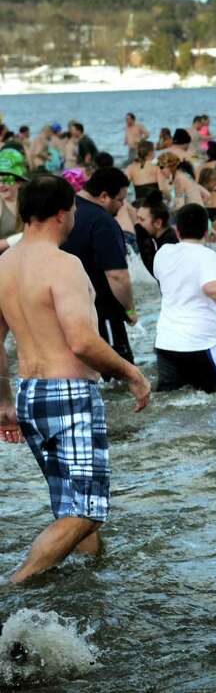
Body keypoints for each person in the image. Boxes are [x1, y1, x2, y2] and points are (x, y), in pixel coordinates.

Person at [0, 174, 150, 583]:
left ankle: (89, 584)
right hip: (70, 395)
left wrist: (5, 403)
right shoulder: (64, 265)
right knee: (87, 510)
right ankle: (14, 587)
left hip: (31, 395)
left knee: (71, 508)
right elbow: (83, 342)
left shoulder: (4, 264)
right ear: (63, 213)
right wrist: (131, 371)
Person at [151, 204, 216, 392]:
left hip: (166, 344)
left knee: (173, 403)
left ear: (177, 231)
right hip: (201, 343)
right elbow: (212, 287)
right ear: (206, 232)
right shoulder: (207, 255)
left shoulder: (162, 253)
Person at [62, 167, 137, 366]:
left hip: (65, 311)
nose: (121, 206)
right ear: (104, 196)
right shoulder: (102, 221)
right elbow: (117, 275)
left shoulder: (64, 210)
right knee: (118, 371)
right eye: (120, 200)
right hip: (102, 310)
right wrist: (129, 309)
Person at [132, 195, 178, 275]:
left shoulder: (169, 245)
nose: (137, 224)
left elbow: (157, 273)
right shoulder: (166, 237)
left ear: (158, 223)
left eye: (142, 219)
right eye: (137, 218)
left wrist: (142, 240)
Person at [0, 148, 28, 253]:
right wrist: (11, 241)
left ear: (19, 182)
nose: (1, 185)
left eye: (7, 180)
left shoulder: (29, 201)